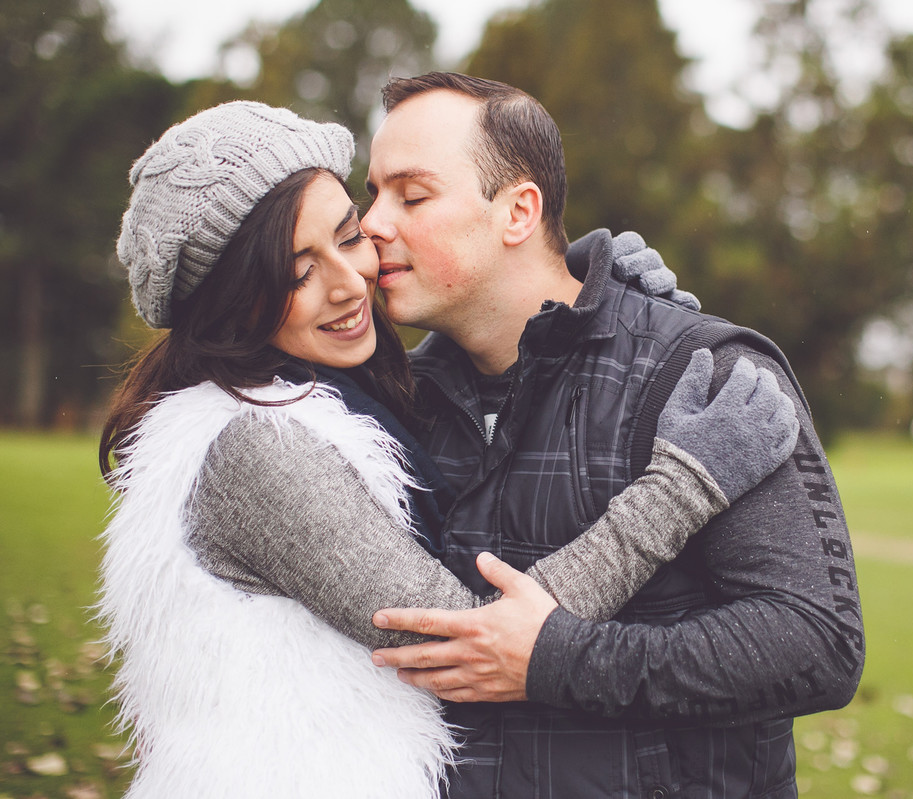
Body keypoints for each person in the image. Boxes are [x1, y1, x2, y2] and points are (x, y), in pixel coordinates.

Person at [94, 101, 801, 799]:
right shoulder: (255, 447)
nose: (348, 284)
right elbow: (467, 641)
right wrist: (681, 487)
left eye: (345, 237)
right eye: (294, 273)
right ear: (227, 304)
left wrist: (598, 290)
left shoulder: (342, 393)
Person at [362, 73, 866, 798]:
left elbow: (815, 643)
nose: (373, 221)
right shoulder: (398, 403)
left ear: (517, 211)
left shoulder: (706, 374)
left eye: (411, 196)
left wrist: (561, 658)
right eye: (372, 192)